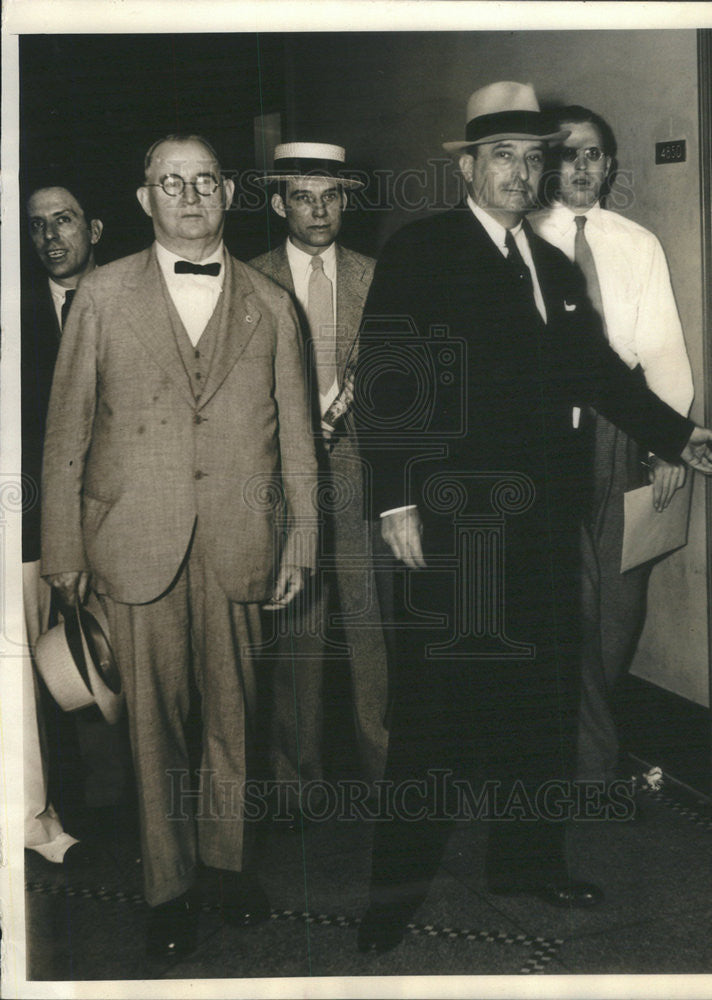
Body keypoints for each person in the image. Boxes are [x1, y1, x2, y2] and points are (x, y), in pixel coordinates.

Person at [353, 81, 712, 953]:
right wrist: (398, 498)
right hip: (456, 524)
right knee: (435, 716)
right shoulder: (425, 250)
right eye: (505, 157)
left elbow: (596, 375)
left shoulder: (551, 268)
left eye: (534, 158)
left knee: (539, 704)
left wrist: (678, 435)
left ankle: (525, 862)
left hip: (542, 521)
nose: (523, 173)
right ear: (471, 167)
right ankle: (392, 893)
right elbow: (389, 381)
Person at [40, 135, 318, 958]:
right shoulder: (101, 294)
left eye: (204, 181)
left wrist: (301, 538)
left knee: (235, 714)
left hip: (241, 541)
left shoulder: (270, 303)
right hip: (133, 541)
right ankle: (169, 887)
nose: (190, 195)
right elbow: (65, 436)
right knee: (151, 725)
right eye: (172, 181)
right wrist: (64, 549)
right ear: (143, 200)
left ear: (228, 193)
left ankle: (228, 866)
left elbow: (298, 437)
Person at [531, 106, 695, 787]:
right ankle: (585, 766)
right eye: (569, 154)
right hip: (542, 428)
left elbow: (662, 350)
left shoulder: (638, 243)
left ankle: (580, 740)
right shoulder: (519, 241)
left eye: (595, 154)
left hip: (622, 428)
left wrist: (666, 445)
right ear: (547, 164)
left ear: (609, 164)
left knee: (621, 597)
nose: (584, 167)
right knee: (560, 592)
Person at [249, 143, 388, 811]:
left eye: (330, 195)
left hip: (360, 473)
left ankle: (383, 775)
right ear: (279, 204)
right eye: (302, 196)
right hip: (284, 480)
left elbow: (398, 377)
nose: (318, 209)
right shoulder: (248, 278)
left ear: (346, 201)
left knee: (370, 629)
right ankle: (296, 782)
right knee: (299, 630)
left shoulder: (376, 275)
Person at [22, 182, 105, 867]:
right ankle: (66, 809)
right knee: (45, 669)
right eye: (38, 225)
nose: (52, 236)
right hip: (30, 529)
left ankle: (152, 812)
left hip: (121, 522)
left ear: (96, 228)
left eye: (66, 220)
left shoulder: (129, 299)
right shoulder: (17, 319)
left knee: (128, 669)